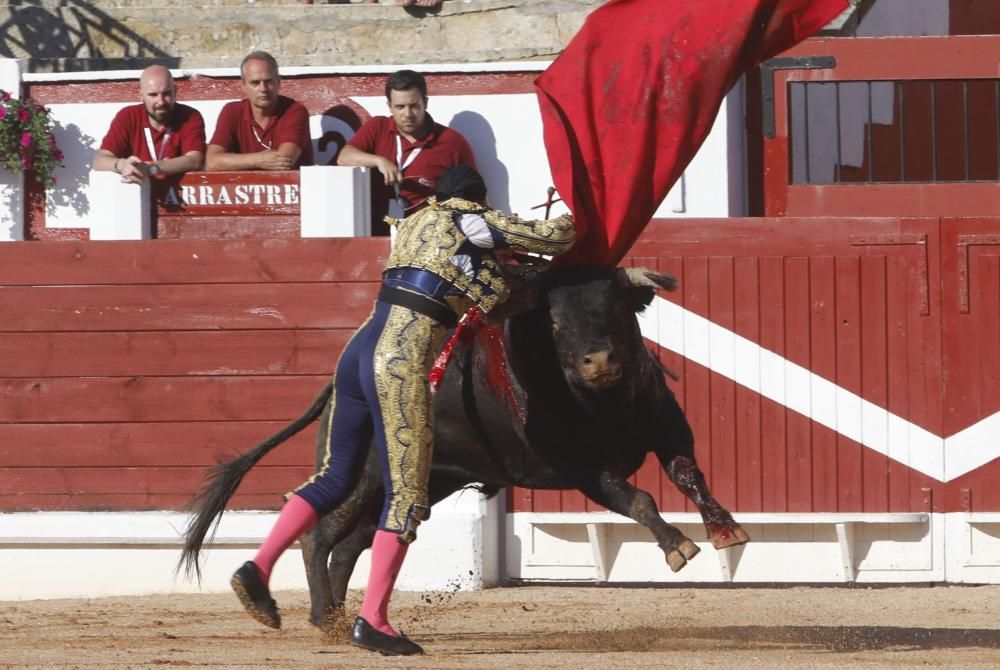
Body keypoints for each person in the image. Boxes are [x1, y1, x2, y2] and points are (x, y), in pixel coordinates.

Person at [229, 165, 575, 656]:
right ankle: (373, 620)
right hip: (397, 361)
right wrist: (578, 211)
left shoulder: (412, 223)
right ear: (475, 198)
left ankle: (258, 566)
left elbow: (482, 297)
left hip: (356, 353)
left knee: (335, 477)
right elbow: (558, 235)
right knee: (407, 495)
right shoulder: (470, 219)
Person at [337, 69, 475, 221]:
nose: (408, 114)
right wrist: (378, 161)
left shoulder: (452, 142)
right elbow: (344, 158)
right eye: (400, 107)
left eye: (414, 106)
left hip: (427, 237)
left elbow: (474, 196)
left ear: (426, 103)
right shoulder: (378, 127)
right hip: (378, 235)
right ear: (389, 106)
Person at [92, 65, 206, 185]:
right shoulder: (127, 116)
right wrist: (122, 165)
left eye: (166, 93)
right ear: (141, 95)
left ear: (175, 91)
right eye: (153, 95)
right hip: (137, 198)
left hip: (178, 199)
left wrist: (150, 169)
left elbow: (194, 160)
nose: (161, 101)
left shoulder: (189, 116)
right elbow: (99, 160)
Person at [205, 51, 313, 171]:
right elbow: (211, 162)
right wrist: (259, 159)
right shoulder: (232, 111)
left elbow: (284, 161)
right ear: (243, 85)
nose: (263, 89)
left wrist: (237, 161)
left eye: (269, 82)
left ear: (278, 82)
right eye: (255, 83)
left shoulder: (294, 111)